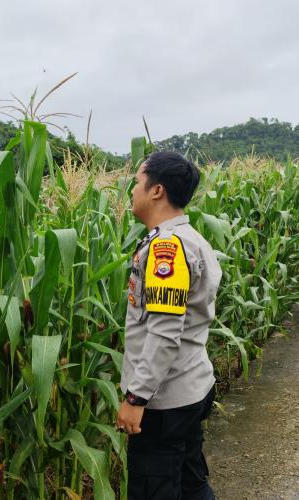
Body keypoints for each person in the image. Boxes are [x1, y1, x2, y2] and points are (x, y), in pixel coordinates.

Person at [116, 151, 222, 500]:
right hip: (191, 387)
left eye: (136, 182)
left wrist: (136, 396)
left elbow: (163, 331)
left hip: (165, 402)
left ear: (156, 190)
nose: (132, 189)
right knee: (191, 483)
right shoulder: (190, 238)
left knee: (154, 487)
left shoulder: (167, 249)